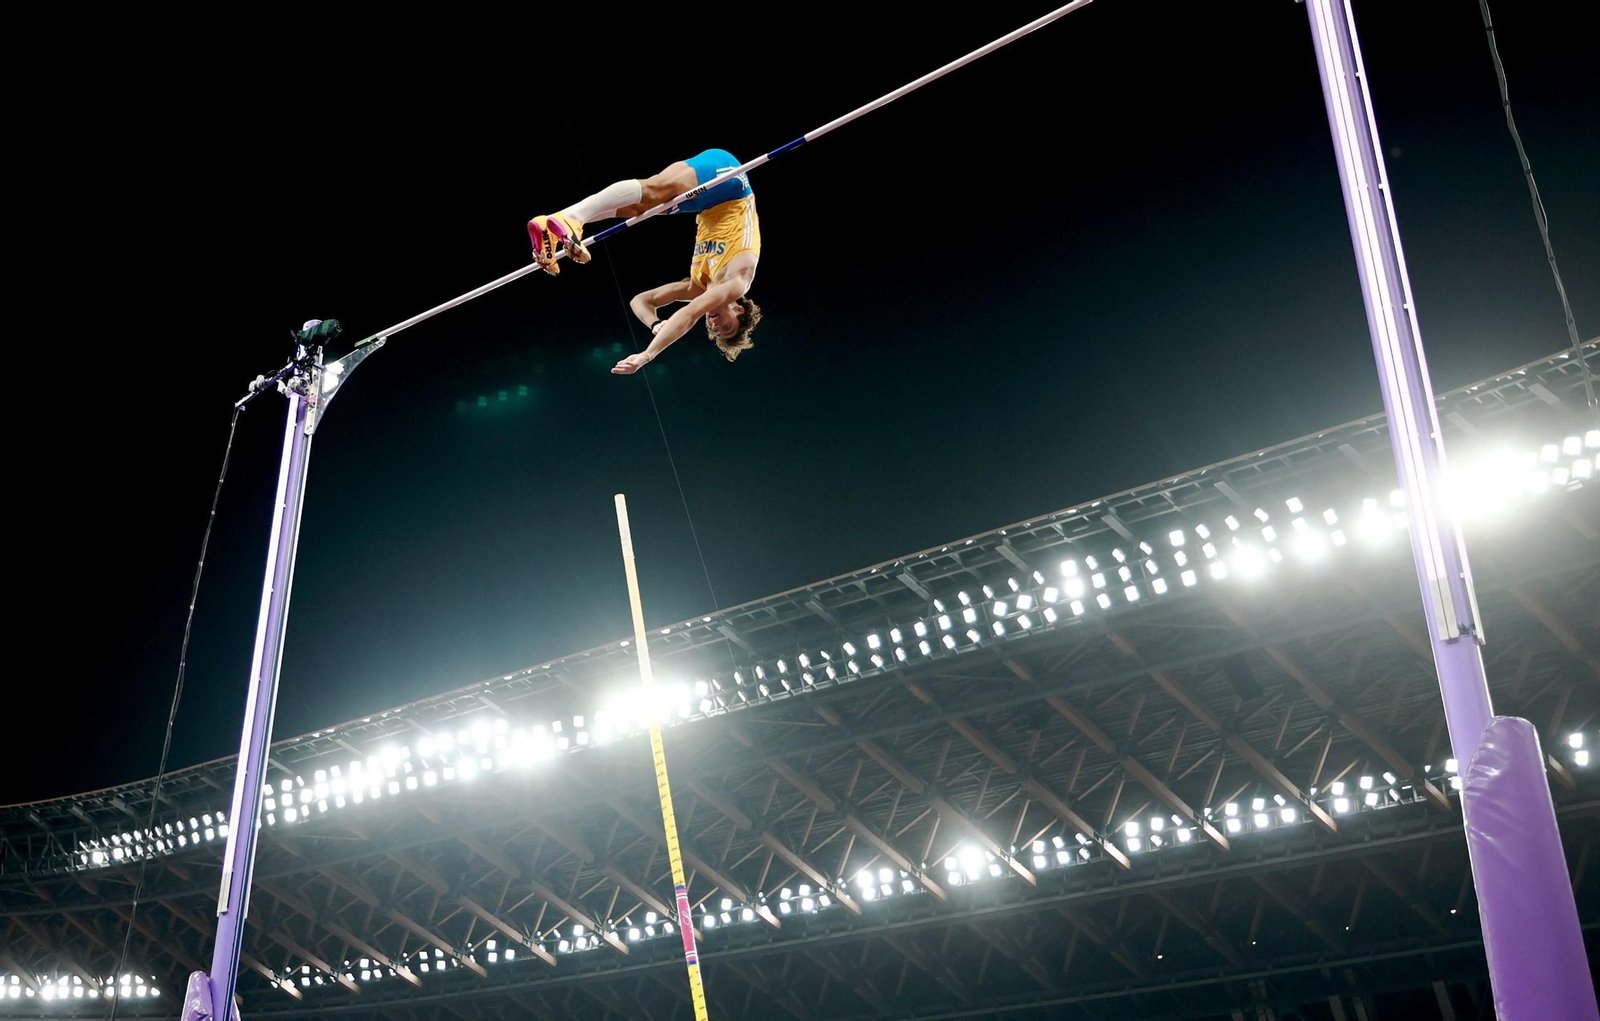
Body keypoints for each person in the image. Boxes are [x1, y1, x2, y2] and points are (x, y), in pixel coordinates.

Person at [527, 148, 763, 373]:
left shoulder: (696, 287)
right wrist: (647, 355)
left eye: (716, 332)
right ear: (738, 309)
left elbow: (641, 300)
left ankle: (553, 223)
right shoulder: (736, 283)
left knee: (638, 207)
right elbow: (689, 314)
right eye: (727, 327)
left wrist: (655, 324)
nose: (715, 326)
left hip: (706, 203)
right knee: (654, 191)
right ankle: (573, 218)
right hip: (732, 187)